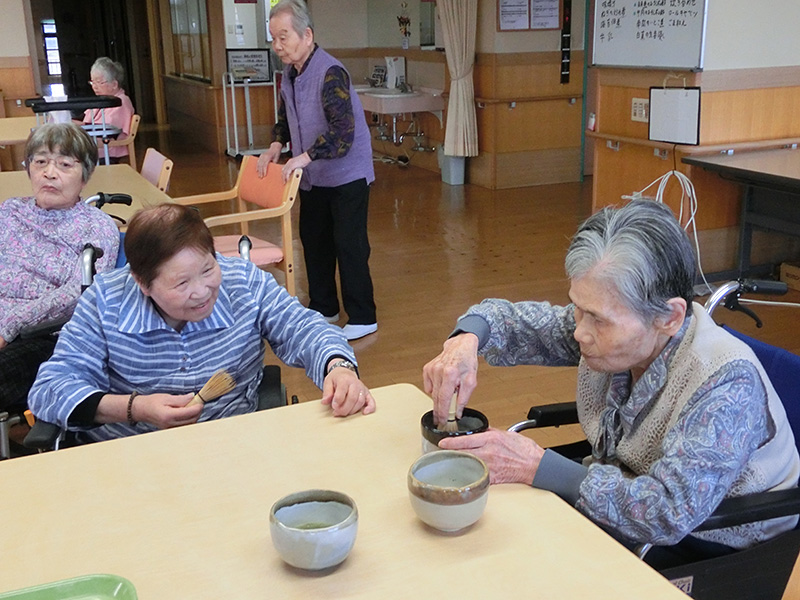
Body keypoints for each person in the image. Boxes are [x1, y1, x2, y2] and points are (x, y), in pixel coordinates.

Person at [423, 199, 799, 567]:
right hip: (623, 491)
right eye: (577, 308)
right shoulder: (620, 330)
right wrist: (465, 341)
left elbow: (667, 512)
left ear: (669, 316)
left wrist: (536, 465)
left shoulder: (724, 385)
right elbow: (505, 319)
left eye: (598, 319)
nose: (580, 332)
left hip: (715, 544)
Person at [28, 204, 375, 444]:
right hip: (130, 453)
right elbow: (51, 387)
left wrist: (339, 368)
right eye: (181, 284)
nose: (202, 291)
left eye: (208, 269)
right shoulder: (105, 301)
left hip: (233, 445)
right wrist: (135, 408)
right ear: (142, 283)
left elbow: (303, 328)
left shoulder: (243, 282)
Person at [257, 0, 377, 341]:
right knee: (314, 239)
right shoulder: (290, 74)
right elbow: (286, 119)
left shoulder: (331, 72)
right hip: (313, 177)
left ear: (306, 35)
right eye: (273, 38)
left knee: (349, 244)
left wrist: (303, 157)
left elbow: (343, 134)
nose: (277, 45)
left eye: (283, 37)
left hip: (347, 176)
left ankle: (364, 315)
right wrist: (277, 146)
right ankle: (324, 306)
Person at [0, 123, 119, 415]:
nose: (49, 173)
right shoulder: (9, 212)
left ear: (85, 176)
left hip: (47, 336)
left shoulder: (97, 226)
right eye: (40, 162)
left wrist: (8, 326)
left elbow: (77, 294)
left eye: (65, 164)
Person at [82, 57, 135, 163]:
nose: (95, 87)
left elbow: (108, 131)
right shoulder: (104, 99)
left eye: (99, 82)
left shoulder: (120, 102)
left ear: (114, 84)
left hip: (107, 151)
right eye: (92, 82)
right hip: (96, 145)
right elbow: (84, 119)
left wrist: (76, 126)